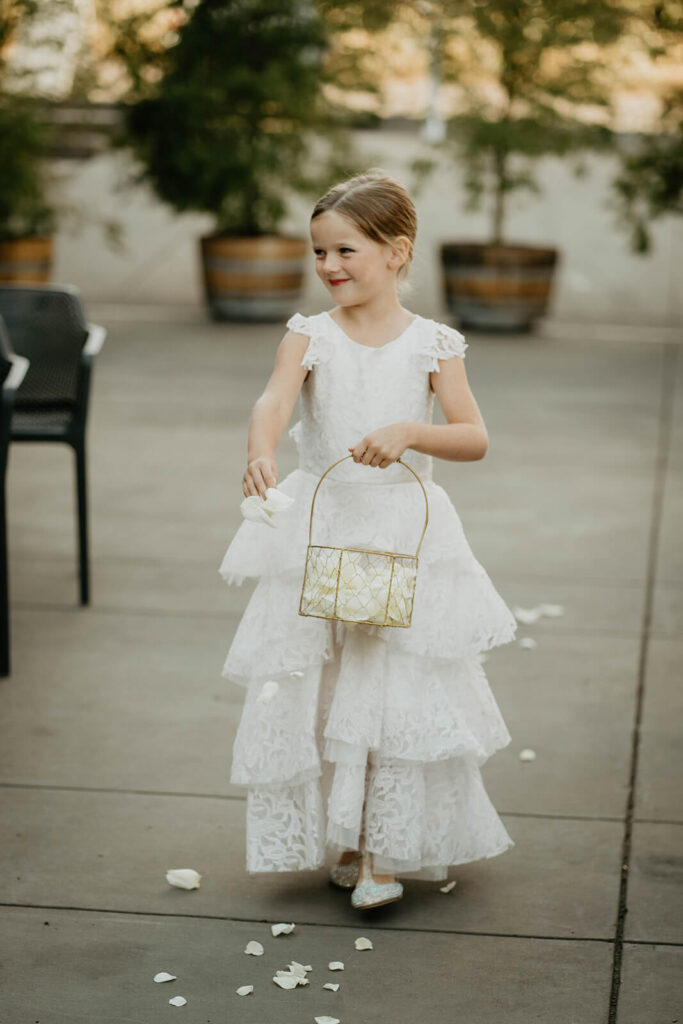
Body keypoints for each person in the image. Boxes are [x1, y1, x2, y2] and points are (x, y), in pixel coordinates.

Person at [218, 171, 517, 910]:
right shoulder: (309, 335)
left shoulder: (432, 345)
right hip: (321, 527)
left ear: (395, 251)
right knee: (325, 688)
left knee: (387, 686)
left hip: (399, 532)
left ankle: (384, 851)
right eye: (318, 252)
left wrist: (412, 431)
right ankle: (346, 838)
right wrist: (261, 446)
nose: (328, 268)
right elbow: (274, 398)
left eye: (344, 250)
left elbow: (473, 437)